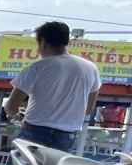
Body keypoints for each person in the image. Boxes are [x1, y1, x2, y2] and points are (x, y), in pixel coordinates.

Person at [5, 20, 101, 151]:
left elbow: (11, 106)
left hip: (34, 133)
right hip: (67, 138)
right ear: (66, 41)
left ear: (43, 42)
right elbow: (88, 109)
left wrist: (16, 116)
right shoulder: (91, 69)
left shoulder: (36, 67)